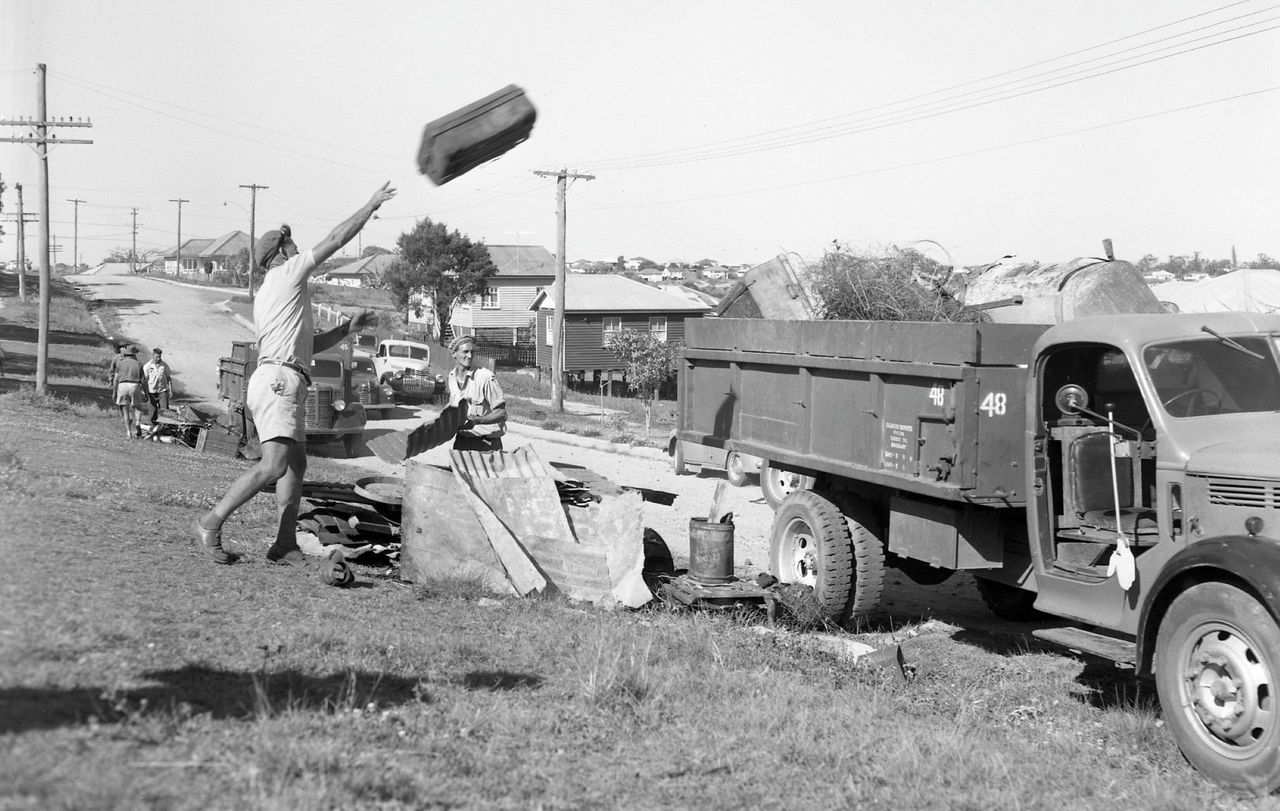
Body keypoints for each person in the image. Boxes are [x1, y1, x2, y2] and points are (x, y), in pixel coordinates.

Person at [192, 182, 396, 565]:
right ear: (280, 253)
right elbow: (336, 238)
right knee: (274, 465)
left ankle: (284, 543)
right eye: (291, 244)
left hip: (283, 377)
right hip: (279, 382)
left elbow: (307, 346)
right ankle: (210, 522)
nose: (298, 248)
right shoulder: (288, 274)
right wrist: (370, 205)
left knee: (296, 464)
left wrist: (345, 330)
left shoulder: (275, 290)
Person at [447, 334, 507, 452]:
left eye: (472, 352)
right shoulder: (452, 377)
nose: (469, 356)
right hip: (462, 442)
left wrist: (478, 421)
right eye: (465, 352)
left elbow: (502, 414)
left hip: (486, 444)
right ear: (454, 354)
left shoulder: (485, 377)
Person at [112, 345, 148, 439]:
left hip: (122, 385)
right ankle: (137, 422)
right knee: (137, 407)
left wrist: (114, 392)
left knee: (125, 410)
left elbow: (116, 379)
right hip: (134, 385)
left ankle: (128, 432)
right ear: (134, 354)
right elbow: (143, 380)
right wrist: (146, 393)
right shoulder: (138, 364)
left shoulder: (120, 363)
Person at [143, 347, 173, 433]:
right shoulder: (148, 366)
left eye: (159, 357)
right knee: (152, 412)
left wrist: (171, 390)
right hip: (151, 392)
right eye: (156, 357)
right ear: (152, 356)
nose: (158, 358)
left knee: (164, 410)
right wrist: (145, 392)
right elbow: (144, 380)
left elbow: (168, 378)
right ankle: (152, 429)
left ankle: (165, 428)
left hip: (162, 391)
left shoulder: (164, 365)